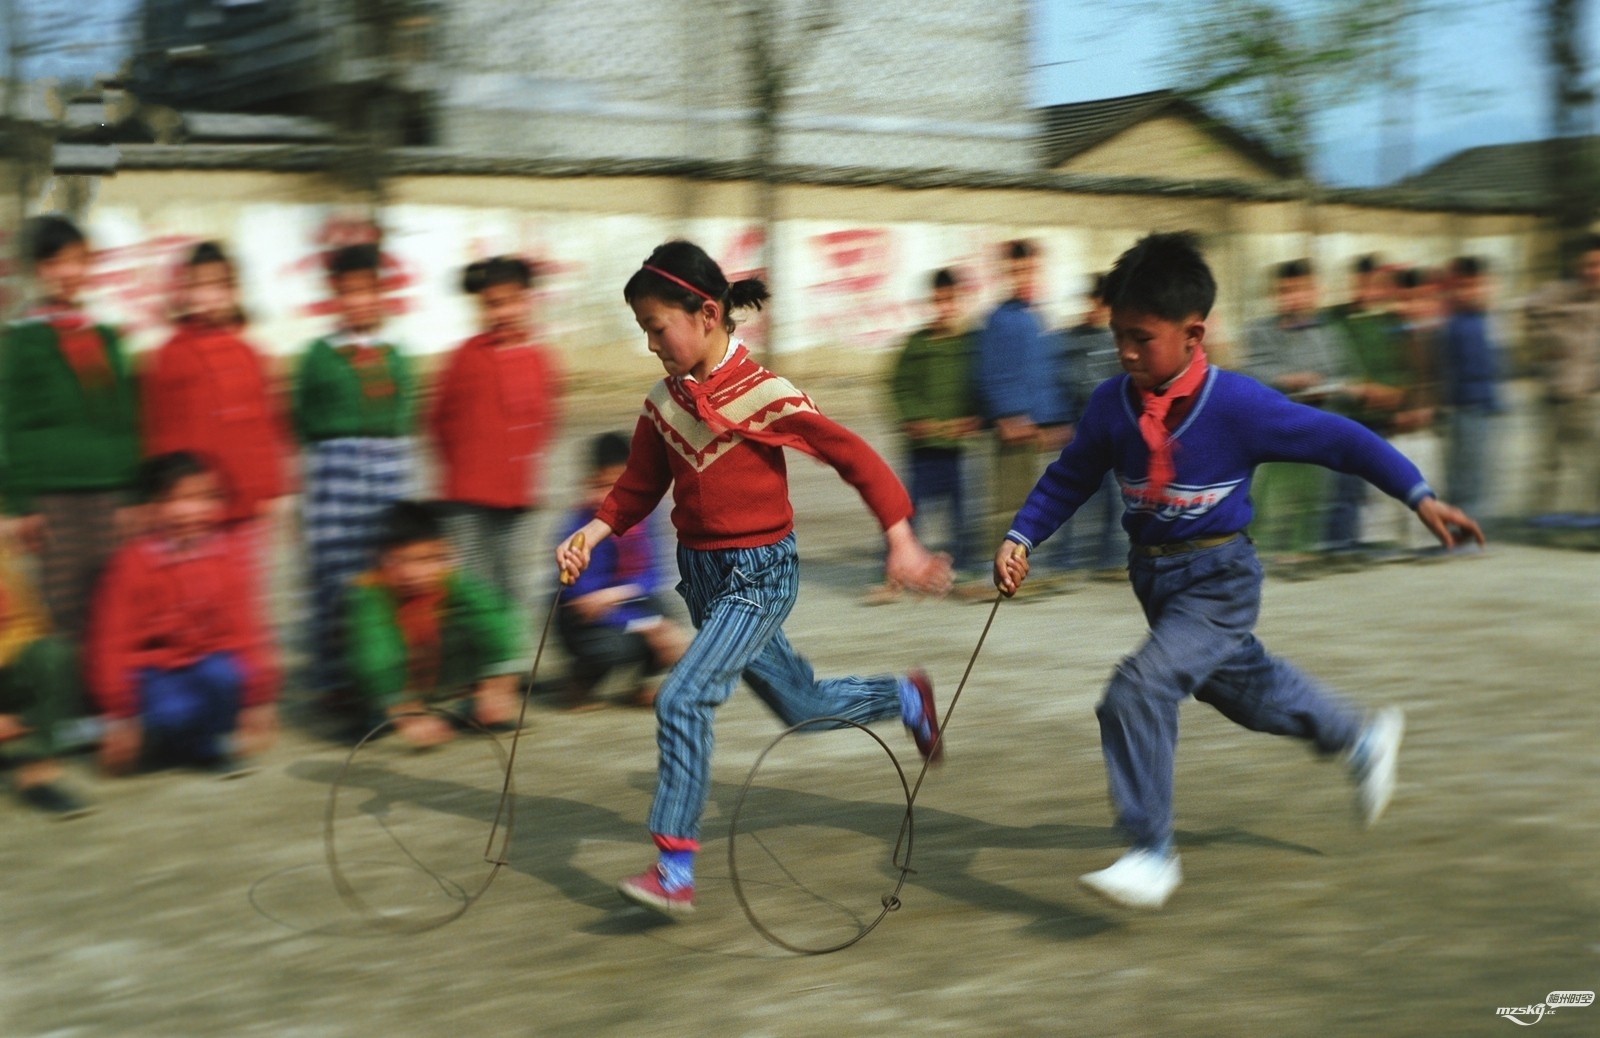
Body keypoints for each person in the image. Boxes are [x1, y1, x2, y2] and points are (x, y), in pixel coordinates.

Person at [992, 232, 1482, 911]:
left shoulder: (1238, 406)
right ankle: (1360, 737)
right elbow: (1069, 476)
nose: (1128, 354)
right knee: (1244, 692)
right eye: (1118, 338)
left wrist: (1419, 495)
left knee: (1136, 690)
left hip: (1218, 580)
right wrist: (1023, 534)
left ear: (1194, 334)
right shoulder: (1112, 403)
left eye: (1143, 338)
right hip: (1155, 579)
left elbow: (1343, 440)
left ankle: (1151, 853)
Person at [556, 239, 952, 916]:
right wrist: (593, 532)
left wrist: (902, 541)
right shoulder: (663, 403)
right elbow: (639, 485)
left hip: (759, 577)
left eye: (658, 329)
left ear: (705, 314)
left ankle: (674, 868)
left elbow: (854, 457)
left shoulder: (765, 395)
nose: (652, 345)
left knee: (682, 699)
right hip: (705, 582)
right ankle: (905, 698)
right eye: (645, 332)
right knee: (800, 705)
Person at [86, 453, 279, 776]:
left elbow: (247, 626)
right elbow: (110, 640)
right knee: (171, 714)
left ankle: (206, 747)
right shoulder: (132, 563)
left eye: (207, 498)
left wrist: (258, 698)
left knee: (226, 677)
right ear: (155, 507)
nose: (195, 510)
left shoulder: (226, 557)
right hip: (154, 671)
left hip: (204, 663)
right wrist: (118, 714)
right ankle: (166, 740)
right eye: (183, 499)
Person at [0, 215, 141, 643]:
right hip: (52, 495)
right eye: (56, 262)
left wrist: (134, 496)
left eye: (78, 260)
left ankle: (107, 701)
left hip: (108, 492)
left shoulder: (105, 335)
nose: (68, 272)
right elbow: (10, 423)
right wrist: (19, 504)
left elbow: (126, 418)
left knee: (112, 597)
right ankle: (70, 705)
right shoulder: (21, 340)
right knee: (60, 603)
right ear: (39, 270)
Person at [141, 241, 293, 632]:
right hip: (189, 511)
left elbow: (267, 427)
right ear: (183, 292)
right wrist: (160, 499)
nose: (209, 296)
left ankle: (240, 682)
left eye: (219, 285)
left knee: (241, 596)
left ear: (233, 291)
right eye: (198, 285)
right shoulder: (168, 356)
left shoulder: (251, 354)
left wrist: (271, 493)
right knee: (188, 598)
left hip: (244, 507)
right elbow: (158, 429)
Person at [292, 243, 418, 703]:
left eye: (368, 291)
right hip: (334, 476)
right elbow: (302, 416)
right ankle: (334, 681)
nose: (358, 302)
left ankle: (382, 677)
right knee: (336, 574)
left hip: (387, 471)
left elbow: (403, 414)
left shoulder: (395, 356)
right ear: (335, 297)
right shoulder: (318, 356)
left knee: (384, 571)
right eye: (348, 293)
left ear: (382, 295)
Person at [429, 256, 561, 613]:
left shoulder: (538, 358)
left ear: (528, 301)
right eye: (492, 304)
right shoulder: (465, 357)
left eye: (512, 301)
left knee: (512, 582)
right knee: (470, 583)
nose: (503, 312)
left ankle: (509, 663)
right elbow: (439, 420)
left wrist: (520, 471)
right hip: (466, 497)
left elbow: (545, 422)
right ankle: (473, 661)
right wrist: (466, 469)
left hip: (517, 497)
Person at [343, 501, 524, 749]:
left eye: (426, 559)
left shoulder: (450, 580)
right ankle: (382, 712)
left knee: (476, 619)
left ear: (444, 555)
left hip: (437, 679)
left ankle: (471, 702)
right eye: (400, 560)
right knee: (373, 658)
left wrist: (499, 684)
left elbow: (499, 620)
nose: (413, 572)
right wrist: (407, 713)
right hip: (389, 684)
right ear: (381, 559)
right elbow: (376, 658)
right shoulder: (370, 592)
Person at [555, 432, 686, 710]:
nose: (614, 496)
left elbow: (651, 577)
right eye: (604, 485)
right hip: (580, 618)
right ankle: (581, 679)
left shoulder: (646, 516)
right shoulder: (578, 528)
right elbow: (585, 601)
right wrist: (647, 624)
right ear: (589, 484)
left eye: (623, 486)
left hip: (619, 602)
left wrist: (620, 599)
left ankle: (638, 684)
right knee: (619, 644)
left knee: (671, 617)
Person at [1243, 259, 1344, 565]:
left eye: (1300, 291)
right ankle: (1249, 545)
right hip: (1277, 422)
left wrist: (1327, 385)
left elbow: (1341, 372)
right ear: (1275, 294)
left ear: (1314, 292)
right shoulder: (1261, 330)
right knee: (1270, 487)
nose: (1293, 298)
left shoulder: (1327, 332)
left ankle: (1301, 548)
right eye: (1285, 291)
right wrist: (1288, 378)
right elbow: (1251, 370)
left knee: (1312, 487)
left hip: (1315, 419)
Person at [886, 267, 980, 582]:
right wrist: (914, 416)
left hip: (955, 449)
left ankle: (964, 567)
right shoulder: (917, 344)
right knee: (909, 512)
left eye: (950, 301)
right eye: (938, 301)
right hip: (922, 449)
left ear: (960, 301)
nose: (944, 308)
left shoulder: (969, 345)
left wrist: (973, 416)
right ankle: (897, 568)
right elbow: (898, 385)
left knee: (962, 514)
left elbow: (979, 385)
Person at [0, 531, 92, 816]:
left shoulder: (6, 558)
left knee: (53, 655)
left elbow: (33, 625)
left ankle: (37, 774)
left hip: (8, 669)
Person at [1326, 256, 1410, 553]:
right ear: (1354, 282)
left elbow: (1402, 363)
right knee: (1344, 483)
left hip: (1381, 414)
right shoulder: (1336, 319)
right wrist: (1361, 387)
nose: (1370, 290)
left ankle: (1364, 538)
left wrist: (1399, 392)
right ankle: (1339, 542)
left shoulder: (1391, 321)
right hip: (1351, 413)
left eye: (1376, 284)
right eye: (1363, 283)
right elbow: (1334, 361)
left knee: (1373, 482)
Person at [974, 240, 1052, 554]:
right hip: (1011, 425)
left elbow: (1041, 375)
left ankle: (1020, 568)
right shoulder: (999, 317)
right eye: (1017, 270)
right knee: (1006, 502)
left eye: (1029, 269)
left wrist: (1046, 419)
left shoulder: (1036, 317)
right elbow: (990, 372)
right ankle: (1000, 570)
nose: (1023, 276)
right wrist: (1005, 417)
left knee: (1028, 501)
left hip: (1032, 424)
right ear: (1007, 272)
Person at [1523, 235, 1600, 516]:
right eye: (1589, 264)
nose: (1594, 271)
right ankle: (1540, 517)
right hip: (1554, 395)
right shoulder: (1561, 293)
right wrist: (1545, 345)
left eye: (1599, 265)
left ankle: (1592, 516)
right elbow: (1531, 306)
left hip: (1584, 397)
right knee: (1548, 463)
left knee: (1593, 460)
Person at [1060, 273, 1127, 577]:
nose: (1098, 309)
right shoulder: (1074, 337)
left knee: (1115, 498)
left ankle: (1108, 559)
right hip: (1082, 426)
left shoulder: (1121, 339)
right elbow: (1067, 380)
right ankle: (1065, 557)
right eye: (1095, 302)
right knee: (1074, 492)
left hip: (1113, 429)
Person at [1437, 257, 1502, 521]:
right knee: (1459, 473)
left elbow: (1491, 364)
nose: (1470, 292)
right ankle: (1458, 526)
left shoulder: (1484, 320)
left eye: (1476, 286)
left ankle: (1468, 524)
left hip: (1481, 405)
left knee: (1476, 471)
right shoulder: (1452, 324)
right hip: (1461, 407)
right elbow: (1447, 369)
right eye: (1463, 286)